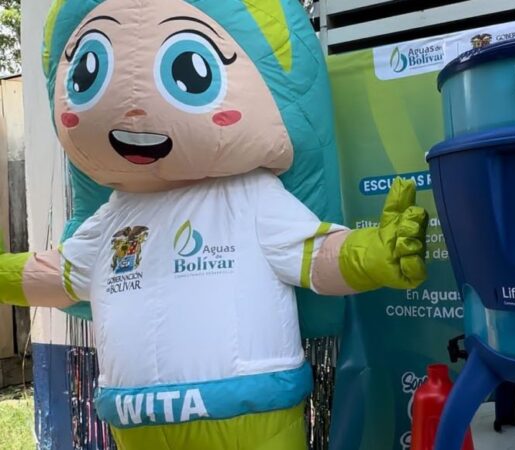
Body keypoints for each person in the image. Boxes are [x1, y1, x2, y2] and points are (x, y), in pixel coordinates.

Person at [0, 1, 427, 448]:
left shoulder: (253, 199)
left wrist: (376, 254)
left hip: (250, 417)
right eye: (88, 73)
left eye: (190, 71)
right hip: (136, 421)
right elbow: (56, 273)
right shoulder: (111, 218)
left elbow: (316, 257)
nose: (134, 111)